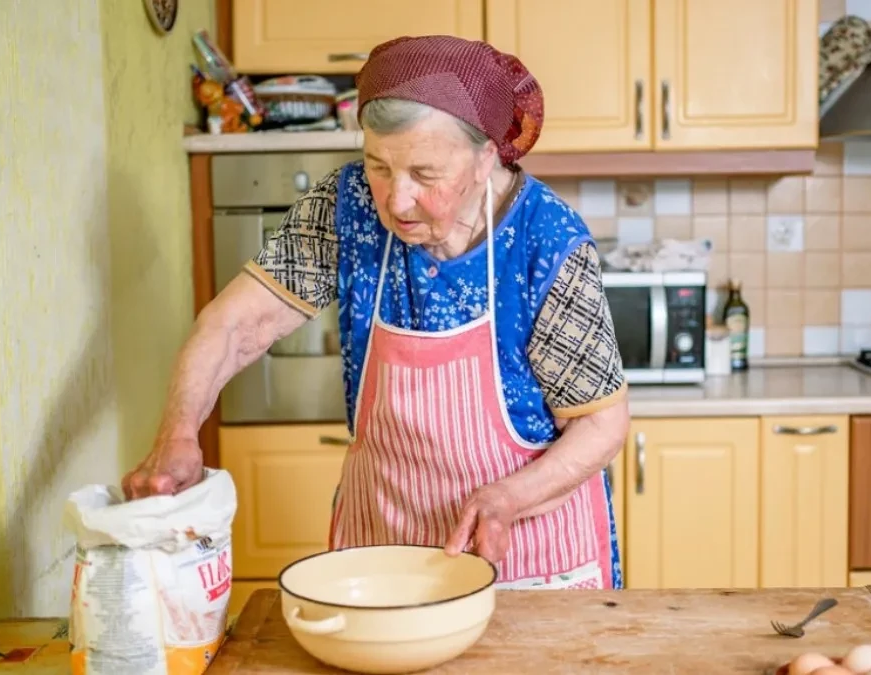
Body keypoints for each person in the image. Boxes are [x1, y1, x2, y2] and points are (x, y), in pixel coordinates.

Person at [123, 35, 630, 590]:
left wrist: (509, 497)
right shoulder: (349, 206)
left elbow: (601, 423)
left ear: (486, 157)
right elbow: (236, 322)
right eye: (378, 166)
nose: (396, 199)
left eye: (425, 174)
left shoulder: (546, 241)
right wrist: (178, 432)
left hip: (531, 551)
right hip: (384, 544)